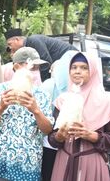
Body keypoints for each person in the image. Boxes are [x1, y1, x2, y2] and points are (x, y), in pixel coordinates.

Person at [48, 52, 110, 181]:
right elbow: (52, 138)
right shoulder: (63, 100)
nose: (78, 71)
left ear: (93, 71)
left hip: (91, 165)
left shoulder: (105, 102)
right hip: (64, 161)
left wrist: (91, 135)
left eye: (84, 67)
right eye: (74, 67)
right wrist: (59, 136)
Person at [0, 47, 53, 181]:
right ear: (16, 66)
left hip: (27, 164)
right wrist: (1, 108)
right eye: (32, 67)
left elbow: (47, 130)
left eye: (38, 68)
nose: (35, 72)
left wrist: (36, 110)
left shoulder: (42, 95)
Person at [40, 50, 77, 181]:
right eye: (74, 67)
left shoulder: (81, 89)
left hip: (58, 142)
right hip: (53, 141)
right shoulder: (50, 85)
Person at [4, 28, 77, 81]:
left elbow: (45, 64)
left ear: (17, 40)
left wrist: (43, 85)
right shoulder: (27, 48)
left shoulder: (33, 41)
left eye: (10, 44)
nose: (9, 48)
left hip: (72, 59)